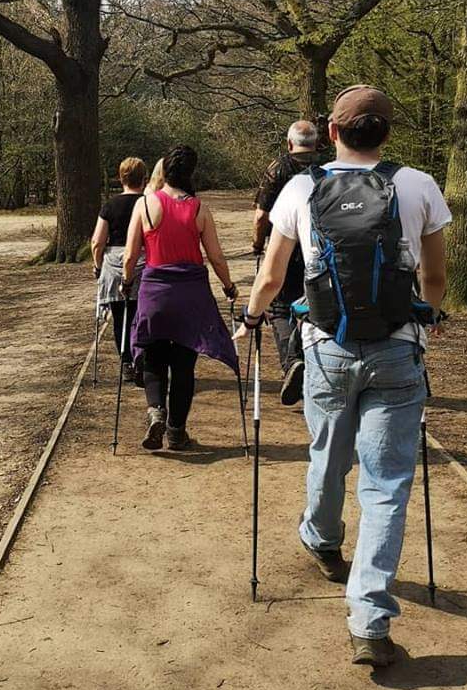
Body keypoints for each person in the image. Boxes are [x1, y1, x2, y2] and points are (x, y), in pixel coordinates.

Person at [235, 85, 450, 667]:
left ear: (332, 132)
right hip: (397, 349)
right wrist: (425, 323)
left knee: (328, 453)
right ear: (386, 132)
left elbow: (273, 275)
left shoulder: (301, 188)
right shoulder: (418, 184)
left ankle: (322, 537)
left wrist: (251, 319)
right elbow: (434, 276)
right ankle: (370, 621)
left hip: (327, 347)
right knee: (387, 483)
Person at [123, 145, 239, 451]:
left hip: (155, 291)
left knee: (153, 355)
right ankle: (176, 431)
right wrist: (229, 286)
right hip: (191, 293)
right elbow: (215, 256)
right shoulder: (199, 208)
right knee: (184, 364)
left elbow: (130, 255)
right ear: (190, 173)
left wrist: (125, 282)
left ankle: (155, 410)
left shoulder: (146, 204)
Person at [252, 120, 322, 406]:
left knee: (280, 308)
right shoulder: (327, 167)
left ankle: (292, 362)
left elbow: (261, 215)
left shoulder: (278, 168)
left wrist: (258, 244)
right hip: (318, 248)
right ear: (316, 143)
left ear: (290, 143)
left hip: (284, 247)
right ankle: (312, 363)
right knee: (315, 304)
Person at [92, 157, 148, 384]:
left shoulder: (109, 206)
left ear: (120, 178)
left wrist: (97, 267)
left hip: (114, 265)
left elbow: (97, 242)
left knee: (119, 317)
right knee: (142, 315)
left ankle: (125, 360)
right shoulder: (149, 204)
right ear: (143, 179)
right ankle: (141, 357)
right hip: (145, 264)